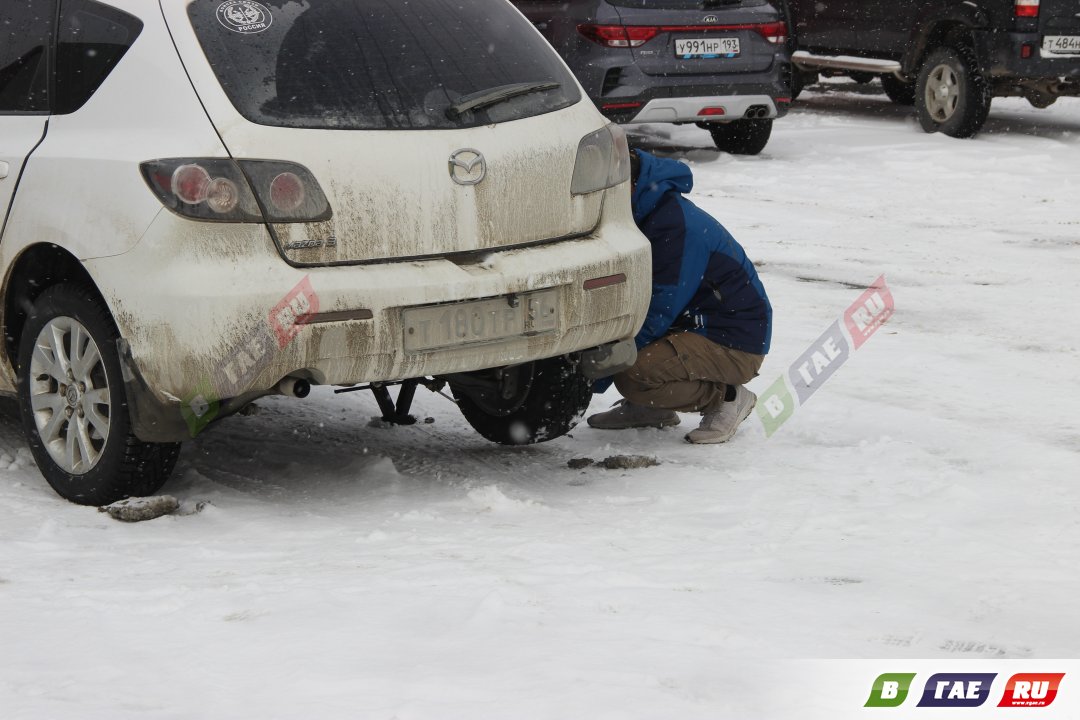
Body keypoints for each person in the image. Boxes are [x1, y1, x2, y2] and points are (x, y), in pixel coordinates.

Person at [588, 149, 772, 444]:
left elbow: (659, 309)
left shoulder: (675, 226)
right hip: (694, 325)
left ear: (630, 184)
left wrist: (600, 371)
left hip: (734, 341)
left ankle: (727, 397)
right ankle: (650, 407)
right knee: (631, 359)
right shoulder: (647, 213)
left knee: (633, 372)